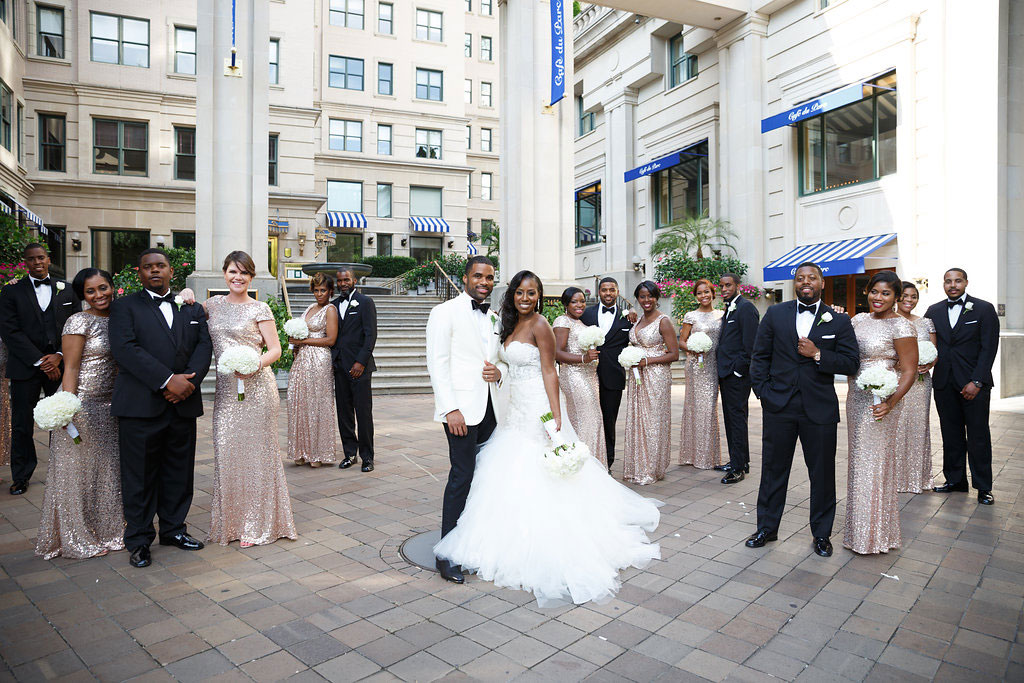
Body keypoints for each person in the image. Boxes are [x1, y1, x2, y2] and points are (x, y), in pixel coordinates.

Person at [433, 270, 661, 607]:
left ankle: (542, 541)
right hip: (511, 409)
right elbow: (500, 361)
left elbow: (549, 370)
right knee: (506, 471)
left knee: (538, 470)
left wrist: (555, 416)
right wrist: (499, 373)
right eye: (520, 293)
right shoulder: (504, 323)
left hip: (537, 405)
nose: (525, 299)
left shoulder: (540, 324)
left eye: (531, 293)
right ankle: (504, 538)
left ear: (539, 296)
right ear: (512, 294)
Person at [747, 262, 860, 558]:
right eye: (800, 278)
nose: (805, 282)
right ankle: (766, 529)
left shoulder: (838, 320)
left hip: (819, 409)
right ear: (794, 283)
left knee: (822, 474)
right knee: (773, 470)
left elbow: (851, 363)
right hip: (779, 406)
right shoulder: (775, 313)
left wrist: (819, 354)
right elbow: (760, 356)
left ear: (822, 282)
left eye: (812, 278)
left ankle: (822, 535)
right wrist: (764, 393)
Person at [109, 248, 212, 568]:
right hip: (141, 406)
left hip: (182, 405)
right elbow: (125, 349)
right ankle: (139, 540)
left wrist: (188, 384)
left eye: (160, 266)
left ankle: (173, 529)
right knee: (138, 476)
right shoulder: (125, 307)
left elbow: (203, 346)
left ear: (171, 271)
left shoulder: (191, 308)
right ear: (139, 273)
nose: (154, 271)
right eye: (147, 267)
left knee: (178, 473)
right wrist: (168, 381)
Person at [202, 251, 296, 547]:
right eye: (232, 271)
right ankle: (231, 523)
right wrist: (187, 294)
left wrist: (254, 364)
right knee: (227, 452)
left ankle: (257, 524)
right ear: (224, 273)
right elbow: (186, 311)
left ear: (251, 277)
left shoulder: (260, 308)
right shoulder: (212, 306)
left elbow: (275, 350)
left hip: (258, 390)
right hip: (227, 393)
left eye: (243, 273)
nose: (237, 277)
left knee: (258, 455)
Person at [426, 255, 508, 584]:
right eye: (478, 276)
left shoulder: (494, 318)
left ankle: (474, 545)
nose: (484, 282)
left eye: (489, 277)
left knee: (484, 479)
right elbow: (437, 363)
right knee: (462, 476)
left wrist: (499, 372)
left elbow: (500, 359)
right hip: (461, 411)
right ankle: (446, 555)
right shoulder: (443, 312)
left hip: (491, 408)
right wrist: (450, 408)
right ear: (465, 278)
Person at [36, 268, 125, 560]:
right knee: (78, 472)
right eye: (91, 291)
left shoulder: (122, 318)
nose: (99, 295)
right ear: (82, 295)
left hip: (113, 406)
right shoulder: (78, 320)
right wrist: (69, 408)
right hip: (84, 405)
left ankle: (109, 529)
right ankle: (77, 535)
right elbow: (71, 368)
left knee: (108, 471)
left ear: (113, 287)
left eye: (103, 287)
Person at [844, 271, 918, 554]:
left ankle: (874, 535)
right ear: (867, 292)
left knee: (874, 463)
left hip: (883, 402)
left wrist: (891, 401)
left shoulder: (901, 327)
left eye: (886, 294)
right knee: (858, 461)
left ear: (895, 297)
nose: (879, 298)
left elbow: (909, 370)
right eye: (875, 292)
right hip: (856, 399)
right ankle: (859, 532)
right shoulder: (858, 320)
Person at [0, 243, 81, 495]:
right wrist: (40, 361)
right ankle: (21, 475)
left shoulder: (67, 290)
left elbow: (75, 325)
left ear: (49, 259)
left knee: (66, 419)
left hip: (60, 365)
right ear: (25, 262)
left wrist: (58, 355)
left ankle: (66, 471)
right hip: (26, 367)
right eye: (31, 259)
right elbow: (9, 330)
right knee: (22, 424)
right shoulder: (11, 292)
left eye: (41, 258)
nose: (37, 262)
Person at [925, 268, 1000, 505]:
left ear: (966, 282)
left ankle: (983, 486)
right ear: (943, 284)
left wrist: (977, 381)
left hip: (974, 384)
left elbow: (989, 348)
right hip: (944, 383)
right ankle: (955, 480)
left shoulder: (984, 309)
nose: (953, 285)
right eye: (948, 281)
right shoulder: (934, 311)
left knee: (978, 436)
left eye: (957, 281)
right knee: (951, 434)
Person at [623, 281, 679, 485]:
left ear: (657, 298)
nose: (647, 300)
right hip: (638, 377)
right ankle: (637, 465)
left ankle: (651, 468)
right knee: (638, 420)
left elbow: (674, 354)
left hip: (656, 376)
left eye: (650, 296)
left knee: (654, 422)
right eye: (642, 297)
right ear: (637, 298)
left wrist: (648, 361)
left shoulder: (663, 321)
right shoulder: (636, 320)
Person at [580, 278, 634, 471]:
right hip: (586, 376)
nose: (608, 293)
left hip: (613, 377)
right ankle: (586, 458)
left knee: (608, 421)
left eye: (612, 290)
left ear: (617, 292)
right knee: (587, 418)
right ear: (599, 292)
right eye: (604, 290)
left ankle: (607, 463)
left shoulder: (628, 318)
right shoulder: (585, 314)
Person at [287, 273, 339, 467]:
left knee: (316, 404)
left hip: (319, 360)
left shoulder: (330, 310)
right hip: (302, 359)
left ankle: (317, 453)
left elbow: (330, 340)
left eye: (323, 290)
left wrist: (303, 341)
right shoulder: (310, 307)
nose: (319, 294)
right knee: (300, 402)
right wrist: (296, 344)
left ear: (330, 291)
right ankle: (301, 451)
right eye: (316, 290)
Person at [553, 287, 607, 468]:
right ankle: (586, 467)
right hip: (575, 377)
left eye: (582, 301)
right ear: (566, 304)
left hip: (590, 377)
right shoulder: (562, 321)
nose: (579, 305)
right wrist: (584, 358)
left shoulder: (581, 322)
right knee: (587, 421)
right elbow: (557, 353)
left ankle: (592, 466)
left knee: (591, 420)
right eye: (574, 302)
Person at [714, 273, 760, 484]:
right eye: (722, 286)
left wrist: (738, 370)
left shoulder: (746, 308)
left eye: (728, 285)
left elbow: (751, 344)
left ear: (738, 286)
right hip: (727, 374)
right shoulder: (730, 307)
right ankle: (739, 460)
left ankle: (738, 468)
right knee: (733, 420)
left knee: (737, 421)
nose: (724, 289)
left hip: (736, 376)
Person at [332, 267, 377, 472]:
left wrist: (360, 362)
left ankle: (367, 457)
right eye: (340, 281)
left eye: (346, 280)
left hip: (360, 367)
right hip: (339, 367)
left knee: (363, 413)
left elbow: (370, 336)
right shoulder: (333, 306)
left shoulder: (365, 303)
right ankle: (350, 453)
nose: (343, 284)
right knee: (344, 413)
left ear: (354, 280)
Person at [894, 281, 937, 493]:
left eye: (913, 296)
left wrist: (929, 363)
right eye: (905, 296)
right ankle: (894, 478)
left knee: (918, 428)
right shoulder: (888, 321)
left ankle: (916, 479)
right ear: (896, 297)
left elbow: (933, 351)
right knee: (897, 427)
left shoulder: (926, 323)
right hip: (895, 381)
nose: (909, 300)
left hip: (920, 385)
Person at [678, 279, 724, 470]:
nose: (703, 295)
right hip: (695, 367)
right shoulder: (691, 316)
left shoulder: (722, 315)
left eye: (707, 292)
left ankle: (708, 456)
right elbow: (681, 341)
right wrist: (692, 349)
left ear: (713, 293)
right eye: (699, 293)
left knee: (708, 409)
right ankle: (690, 454)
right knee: (693, 407)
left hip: (713, 366)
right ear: (695, 296)